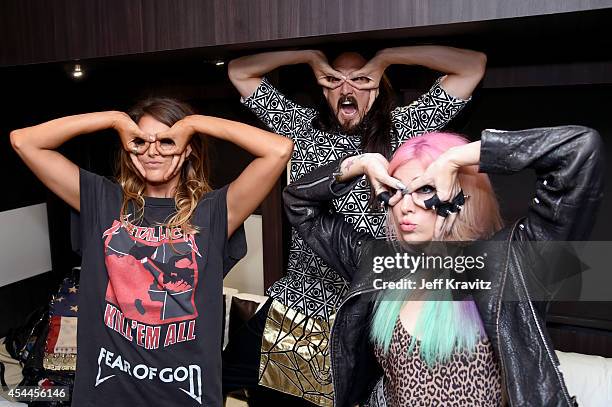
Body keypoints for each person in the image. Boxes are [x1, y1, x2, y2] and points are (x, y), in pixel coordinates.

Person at [225, 45, 487, 404]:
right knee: (219, 378)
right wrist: (311, 58)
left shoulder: (406, 130)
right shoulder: (301, 128)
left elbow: (472, 66)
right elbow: (240, 72)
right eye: (334, 81)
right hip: (297, 305)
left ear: (377, 89)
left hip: (364, 315)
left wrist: (385, 59)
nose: (347, 89)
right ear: (322, 89)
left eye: (360, 80)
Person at [283, 126, 603, 406]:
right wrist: (360, 163)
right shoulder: (380, 263)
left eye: (425, 189)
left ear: (460, 193)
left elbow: (581, 149)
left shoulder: (512, 264)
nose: (404, 207)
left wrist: (457, 159)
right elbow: (299, 203)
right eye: (395, 191)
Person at [9, 98, 293, 406]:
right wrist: (115, 119)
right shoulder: (102, 199)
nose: (152, 151)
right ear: (129, 151)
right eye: (141, 142)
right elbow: (24, 141)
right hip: (105, 395)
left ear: (188, 151)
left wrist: (194, 124)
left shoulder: (214, 211)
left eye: (168, 141)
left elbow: (278, 150)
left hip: (185, 397)